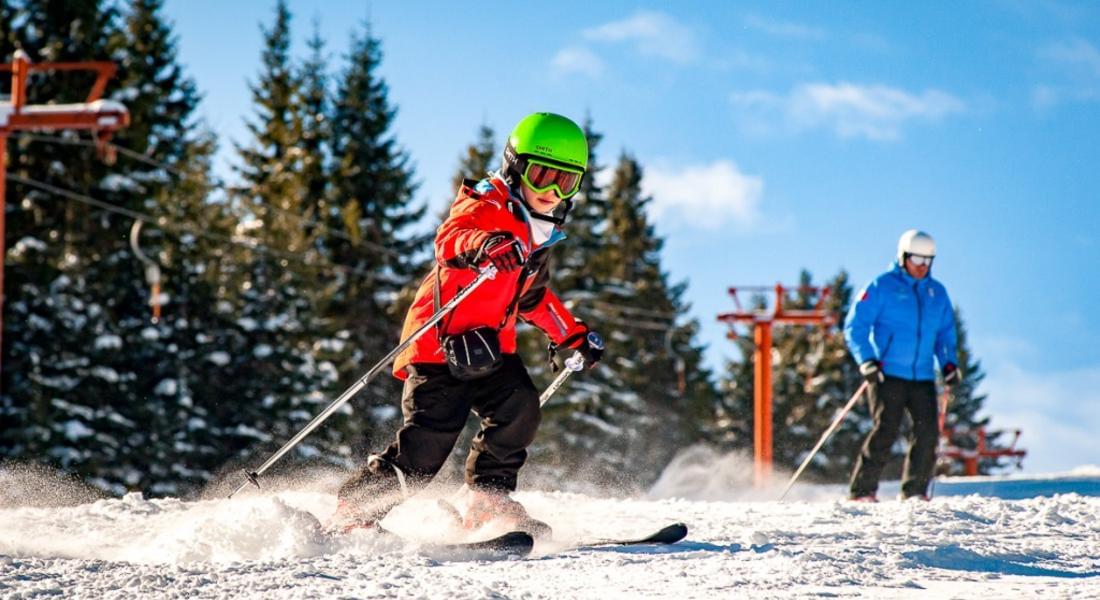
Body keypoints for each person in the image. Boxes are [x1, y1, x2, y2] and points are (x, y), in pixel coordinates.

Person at [327, 112, 605, 534]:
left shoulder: (539, 234)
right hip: (439, 344)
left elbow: (532, 297)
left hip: (490, 349)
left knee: (520, 408)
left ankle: (487, 499)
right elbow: (451, 238)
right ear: (514, 167)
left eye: (565, 181)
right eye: (542, 175)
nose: (550, 191)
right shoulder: (484, 202)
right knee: (428, 443)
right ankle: (356, 509)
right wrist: (486, 244)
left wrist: (572, 335)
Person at [844, 229, 959, 502]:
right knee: (886, 429)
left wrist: (949, 363)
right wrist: (867, 360)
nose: (922, 267)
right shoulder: (881, 286)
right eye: (916, 259)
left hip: (921, 374)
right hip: (887, 372)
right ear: (903, 256)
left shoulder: (937, 293)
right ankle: (862, 491)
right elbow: (855, 326)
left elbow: (945, 334)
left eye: (927, 261)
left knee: (928, 433)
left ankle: (915, 492)